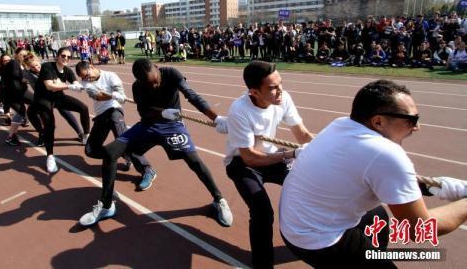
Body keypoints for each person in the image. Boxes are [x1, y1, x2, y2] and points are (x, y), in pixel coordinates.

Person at [279, 80, 467, 267]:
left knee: (378, 218)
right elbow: (419, 228)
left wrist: (437, 189)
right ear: (378, 121)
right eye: (411, 119)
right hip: (315, 240)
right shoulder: (385, 154)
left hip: (294, 222)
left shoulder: (342, 124)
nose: (417, 127)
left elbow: (375, 174)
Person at [78, 58, 233, 227]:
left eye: (156, 82)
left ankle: (219, 199)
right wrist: (162, 114)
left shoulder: (171, 73)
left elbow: (192, 95)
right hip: (149, 124)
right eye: (148, 84)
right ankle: (106, 205)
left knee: (193, 160)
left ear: (158, 69)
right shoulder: (137, 87)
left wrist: (216, 118)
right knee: (110, 152)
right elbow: (144, 112)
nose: (154, 86)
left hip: (173, 126)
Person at [225, 61, 313, 269]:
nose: (280, 91)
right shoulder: (239, 111)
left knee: (312, 186)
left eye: (280, 83)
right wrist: (291, 154)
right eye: (273, 87)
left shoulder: (284, 98)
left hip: (272, 157)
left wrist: (320, 152)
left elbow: (301, 133)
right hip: (243, 164)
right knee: (262, 211)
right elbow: (249, 158)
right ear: (254, 92)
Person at [75, 61, 151, 175]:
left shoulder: (111, 76)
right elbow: (97, 96)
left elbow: (120, 93)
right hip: (100, 115)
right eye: (84, 78)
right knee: (90, 150)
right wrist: (112, 95)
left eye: (87, 75)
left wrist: (119, 95)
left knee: (123, 139)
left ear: (91, 67)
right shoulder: (85, 82)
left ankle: (147, 169)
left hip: (114, 109)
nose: (87, 79)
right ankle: (116, 153)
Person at [33, 47, 89, 173]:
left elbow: (75, 83)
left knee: (83, 108)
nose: (66, 59)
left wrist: (81, 87)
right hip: (43, 99)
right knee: (50, 125)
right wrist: (68, 86)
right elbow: (49, 86)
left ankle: (86, 135)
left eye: (69, 57)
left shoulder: (67, 70)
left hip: (58, 97)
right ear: (57, 56)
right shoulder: (48, 67)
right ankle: (50, 156)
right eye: (63, 56)